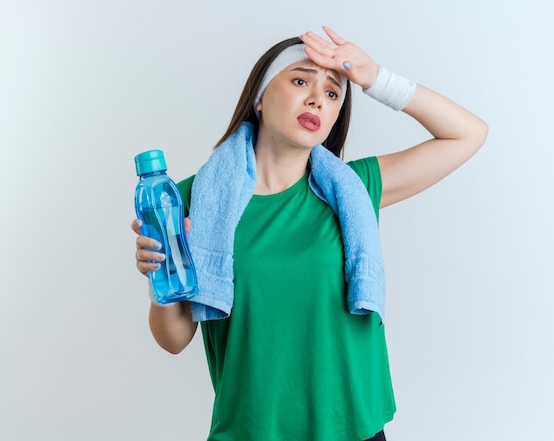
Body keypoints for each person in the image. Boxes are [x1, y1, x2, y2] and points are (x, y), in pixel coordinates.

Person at [131, 26, 488, 441]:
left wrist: (375, 78)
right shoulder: (192, 199)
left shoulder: (354, 190)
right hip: (252, 431)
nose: (318, 98)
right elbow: (174, 340)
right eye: (300, 80)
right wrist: (158, 278)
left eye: (333, 93)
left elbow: (468, 134)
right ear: (260, 98)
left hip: (355, 429)